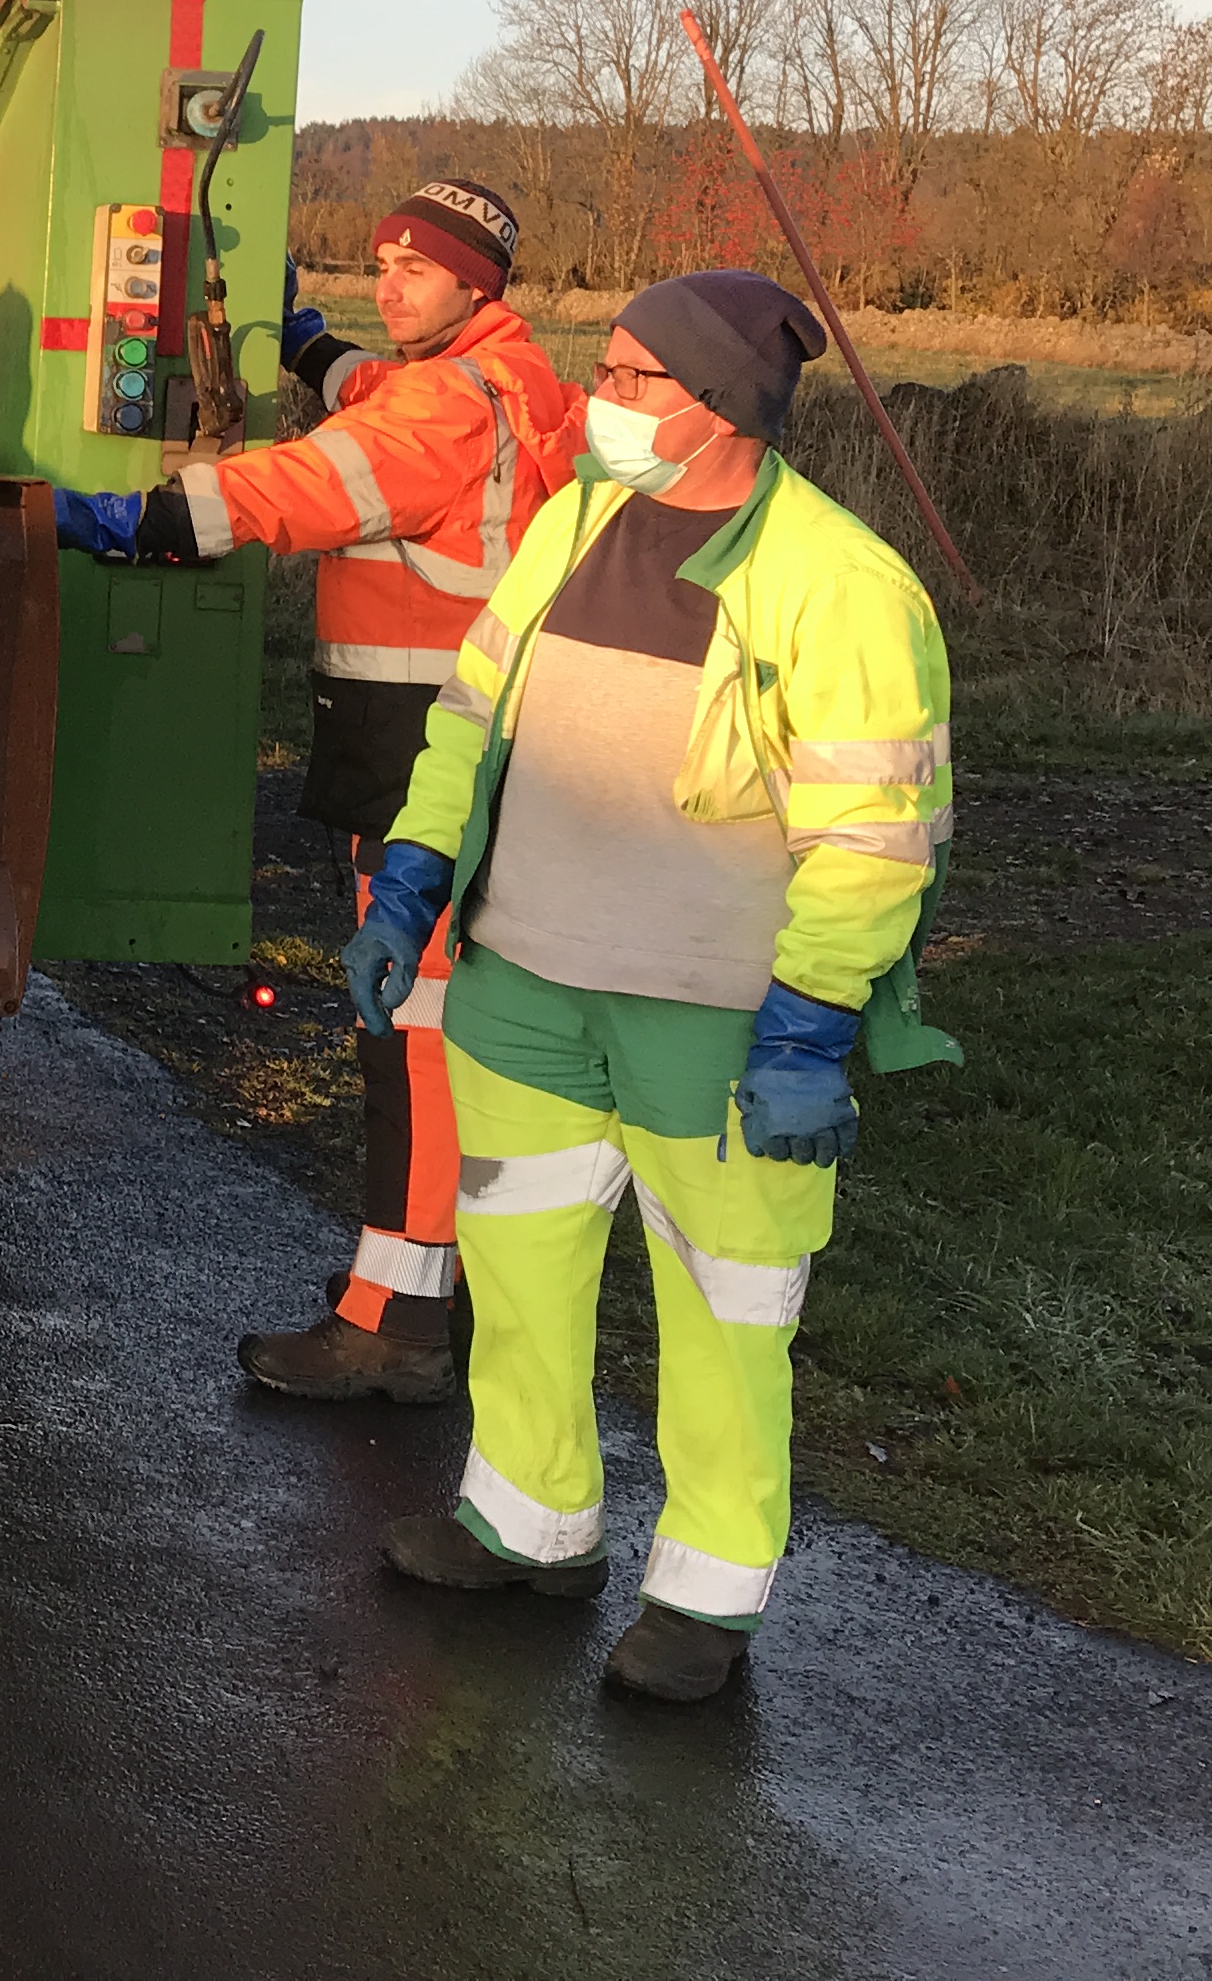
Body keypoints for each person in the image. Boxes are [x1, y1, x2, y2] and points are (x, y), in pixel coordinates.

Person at [352, 269, 955, 1701]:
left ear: (727, 409)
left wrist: (812, 1017)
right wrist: (417, 869)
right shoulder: (576, 519)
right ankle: (526, 1521)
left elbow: (879, 836)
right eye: (604, 370)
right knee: (522, 1267)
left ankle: (707, 1594)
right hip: (526, 988)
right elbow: (470, 713)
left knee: (730, 1302)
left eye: (633, 380)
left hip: (719, 1018)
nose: (600, 402)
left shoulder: (846, 585)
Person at [56, 179, 583, 1401]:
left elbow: (295, 487)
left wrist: (125, 522)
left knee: (417, 1042)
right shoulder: (503, 380)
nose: (387, 282)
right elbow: (368, 397)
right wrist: (310, 347)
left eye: (416, 268)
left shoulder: (442, 408)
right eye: (379, 261)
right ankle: (419, 1307)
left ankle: (392, 1327)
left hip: (421, 756)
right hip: (462, 742)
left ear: (478, 286)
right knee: (431, 1034)